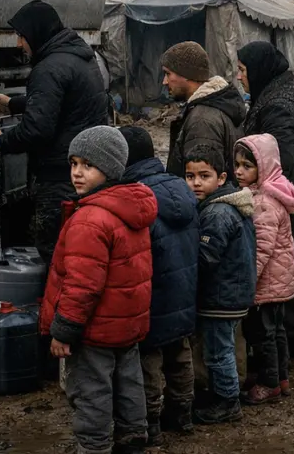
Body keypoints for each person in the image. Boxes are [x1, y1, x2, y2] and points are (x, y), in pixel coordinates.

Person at [40, 126, 157, 454]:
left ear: (110, 168)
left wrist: (63, 330)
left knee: (91, 393)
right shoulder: (131, 209)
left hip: (94, 330)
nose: (77, 172)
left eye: (88, 165)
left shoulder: (90, 220)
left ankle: (93, 447)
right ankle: (133, 437)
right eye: (74, 163)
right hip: (126, 325)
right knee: (128, 385)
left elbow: (82, 285)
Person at [0, 0, 108, 261]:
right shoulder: (79, 57)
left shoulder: (48, 68)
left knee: (56, 252)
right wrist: (13, 103)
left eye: (21, 36)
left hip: (60, 176)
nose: (19, 44)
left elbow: (37, 130)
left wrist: (1, 141)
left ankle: (60, 303)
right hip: (86, 169)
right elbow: (67, 102)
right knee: (79, 249)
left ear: (36, 33)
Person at [236, 42, 294, 357]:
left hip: (282, 205)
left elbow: (280, 159)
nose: (239, 77)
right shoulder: (281, 94)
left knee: (284, 276)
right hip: (292, 198)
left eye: (243, 70)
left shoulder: (278, 106)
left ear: (259, 70)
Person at [118, 126, 199, 443]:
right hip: (184, 293)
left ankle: (152, 424)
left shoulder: (135, 198)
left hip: (152, 298)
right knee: (180, 355)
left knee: (148, 364)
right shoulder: (180, 186)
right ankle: (183, 415)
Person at [183, 144, 256, 425]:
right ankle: (222, 394)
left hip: (221, 297)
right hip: (231, 292)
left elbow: (206, 258)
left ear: (221, 178)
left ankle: (227, 402)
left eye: (204, 176)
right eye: (190, 177)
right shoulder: (223, 206)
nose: (196, 183)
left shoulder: (217, 214)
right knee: (222, 347)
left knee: (218, 351)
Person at [232, 135, 294, 406]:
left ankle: (269, 382)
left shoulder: (264, 203)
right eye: (237, 164)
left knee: (263, 335)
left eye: (247, 166)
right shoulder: (272, 192)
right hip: (278, 281)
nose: (239, 171)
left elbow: (261, 248)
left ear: (263, 166)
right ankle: (280, 376)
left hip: (266, 283)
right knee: (276, 331)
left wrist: (249, 281)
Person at [161, 41, 246, 178]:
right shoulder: (214, 106)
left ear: (186, 74)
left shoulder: (202, 121)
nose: (164, 81)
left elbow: (201, 183)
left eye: (168, 74)